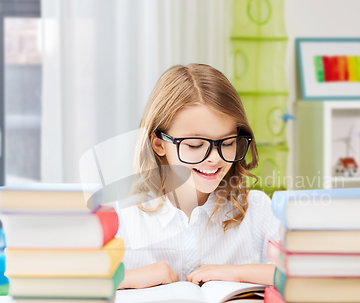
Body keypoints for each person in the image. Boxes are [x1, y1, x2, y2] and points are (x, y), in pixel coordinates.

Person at [116, 63, 280, 289]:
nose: (214, 158)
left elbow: (303, 275)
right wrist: (127, 278)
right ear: (158, 144)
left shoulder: (258, 210)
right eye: (194, 145)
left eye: (228, 142)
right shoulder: (123, 217)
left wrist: (239, 274)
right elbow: (69, 283)